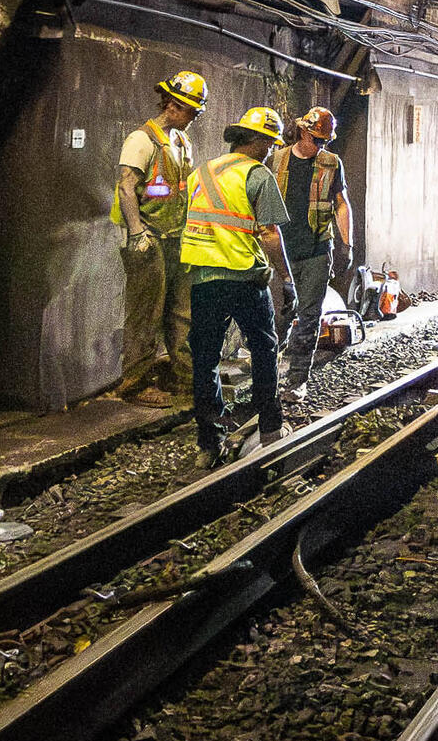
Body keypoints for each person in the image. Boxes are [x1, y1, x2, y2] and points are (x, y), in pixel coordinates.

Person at [182, 105, 292, 463]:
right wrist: (287, 277)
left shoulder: (202, 171)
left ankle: (208, 443)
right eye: (271, 143)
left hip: (204, 278)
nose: (272, 149)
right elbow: (271, 234)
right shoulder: (258, 175)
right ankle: (270, 426)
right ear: (259, 141)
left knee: (205, 359)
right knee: (263, 348)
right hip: (245, 276)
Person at [113, 71, 206, 405]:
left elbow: (179, 189)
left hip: (175, 237)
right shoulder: (141, 140)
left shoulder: (182, 143)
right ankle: (134, 385)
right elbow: (127, 187)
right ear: (172, 105)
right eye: (191, 111)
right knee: (145, 313)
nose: (194, 118)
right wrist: (137, 233)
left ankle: (186, 379)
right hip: (149, 237)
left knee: (182, 311)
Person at [272, 105, 355, 406]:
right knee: (279, 316)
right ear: (303, 131)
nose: (320, 146)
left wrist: (347, 244)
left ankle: (296, 382)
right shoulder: (277, 159)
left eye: (325, 141)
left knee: (308, 317)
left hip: (318, 249)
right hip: (281, 251)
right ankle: (269, 375)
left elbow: (342, 204)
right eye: (316, 139)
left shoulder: (332, 164)